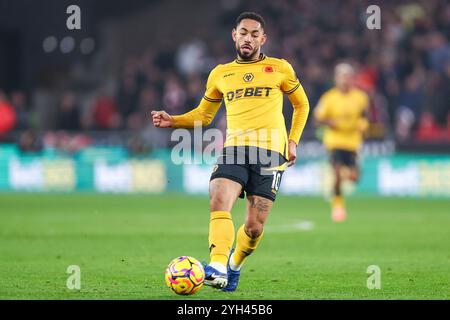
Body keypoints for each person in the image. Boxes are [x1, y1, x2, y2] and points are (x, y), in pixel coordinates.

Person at [151, 12, 309, 291]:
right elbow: (204, 114)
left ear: (263, 38)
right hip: (234, 149)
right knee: (219, 196)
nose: (249, 38)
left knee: (253, 227)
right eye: (244, 33)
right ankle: (218, 266)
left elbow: (301, 105)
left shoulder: (280, 68)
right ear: (234, 35)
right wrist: (173, 120)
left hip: (270, 154)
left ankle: (234, 265)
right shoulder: (220, 73)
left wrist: (293, 141)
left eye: (254, 34)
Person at [314, 63, 369, 222]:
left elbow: (364, 117)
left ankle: (337, 183)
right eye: (341, 76)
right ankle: (338, 207)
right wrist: (328, 122)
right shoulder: (329, 97)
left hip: (352, 142)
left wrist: (363, 126)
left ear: (352, 78)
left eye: (348, 76)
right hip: (335, 141)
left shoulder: (361, 97)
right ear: (336, 79)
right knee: (337, 172)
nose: (345, 80)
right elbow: (317, 119)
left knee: (354, 177)